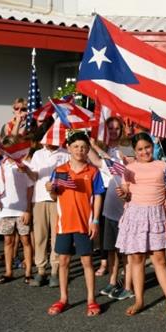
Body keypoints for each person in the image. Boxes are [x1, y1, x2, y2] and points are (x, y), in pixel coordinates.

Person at [45, 132, 105, 316]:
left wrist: (95, 221)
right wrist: (50, 190)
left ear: (88, 149)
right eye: (76, 146)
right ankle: (63, 298)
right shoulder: (60, 170)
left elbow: (98, 196)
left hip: (84, 224)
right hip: (64, 224)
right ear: (69, 148)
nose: (80, 150)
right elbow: (55, 196)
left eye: (83, 147)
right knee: (63, 262)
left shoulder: (93, 171)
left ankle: (91, 300)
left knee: (87, 262)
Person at [114, 133, 166, 318]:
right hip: (136, 215)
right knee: (137, 259)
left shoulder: (163, 166)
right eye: (140, 149)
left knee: (159, 259)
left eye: (147, 147)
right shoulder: (129, 169)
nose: (144, 152)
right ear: (135, 151)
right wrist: (123, 193)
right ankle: (139, 300)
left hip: (156, 214)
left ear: (152, 146)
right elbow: (127, 193)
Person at [89, 118, 134, 300]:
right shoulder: (104, 148)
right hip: (109, 201)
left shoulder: (126, 146)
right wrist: (89, 143)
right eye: (110, 128)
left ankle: (128, 285)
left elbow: (130, 166)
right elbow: (94, 160)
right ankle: (113, 281)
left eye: (117, 128)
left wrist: (125, 156)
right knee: (111, 248)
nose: (114, 131)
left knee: (126, 249)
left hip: (126, 201)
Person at [27, 136, 70, 287]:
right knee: (40, 236)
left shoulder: (66, 153)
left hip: (59, 199)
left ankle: (55, 271)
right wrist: (26, 170)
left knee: (56, 236)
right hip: (39, 198)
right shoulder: (38, 154)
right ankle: (40, 270)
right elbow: (33, 176)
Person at [0, 137, 35, 284]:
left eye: (12, 148)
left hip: (22, 208)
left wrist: (28, 209)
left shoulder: (24, 165)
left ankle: (28, 272)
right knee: (8, 241)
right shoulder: (1, 167)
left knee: (25, 240)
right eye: (6, 149)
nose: (9, 152)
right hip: (6, 209)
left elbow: (31, 187)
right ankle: (8, 271)